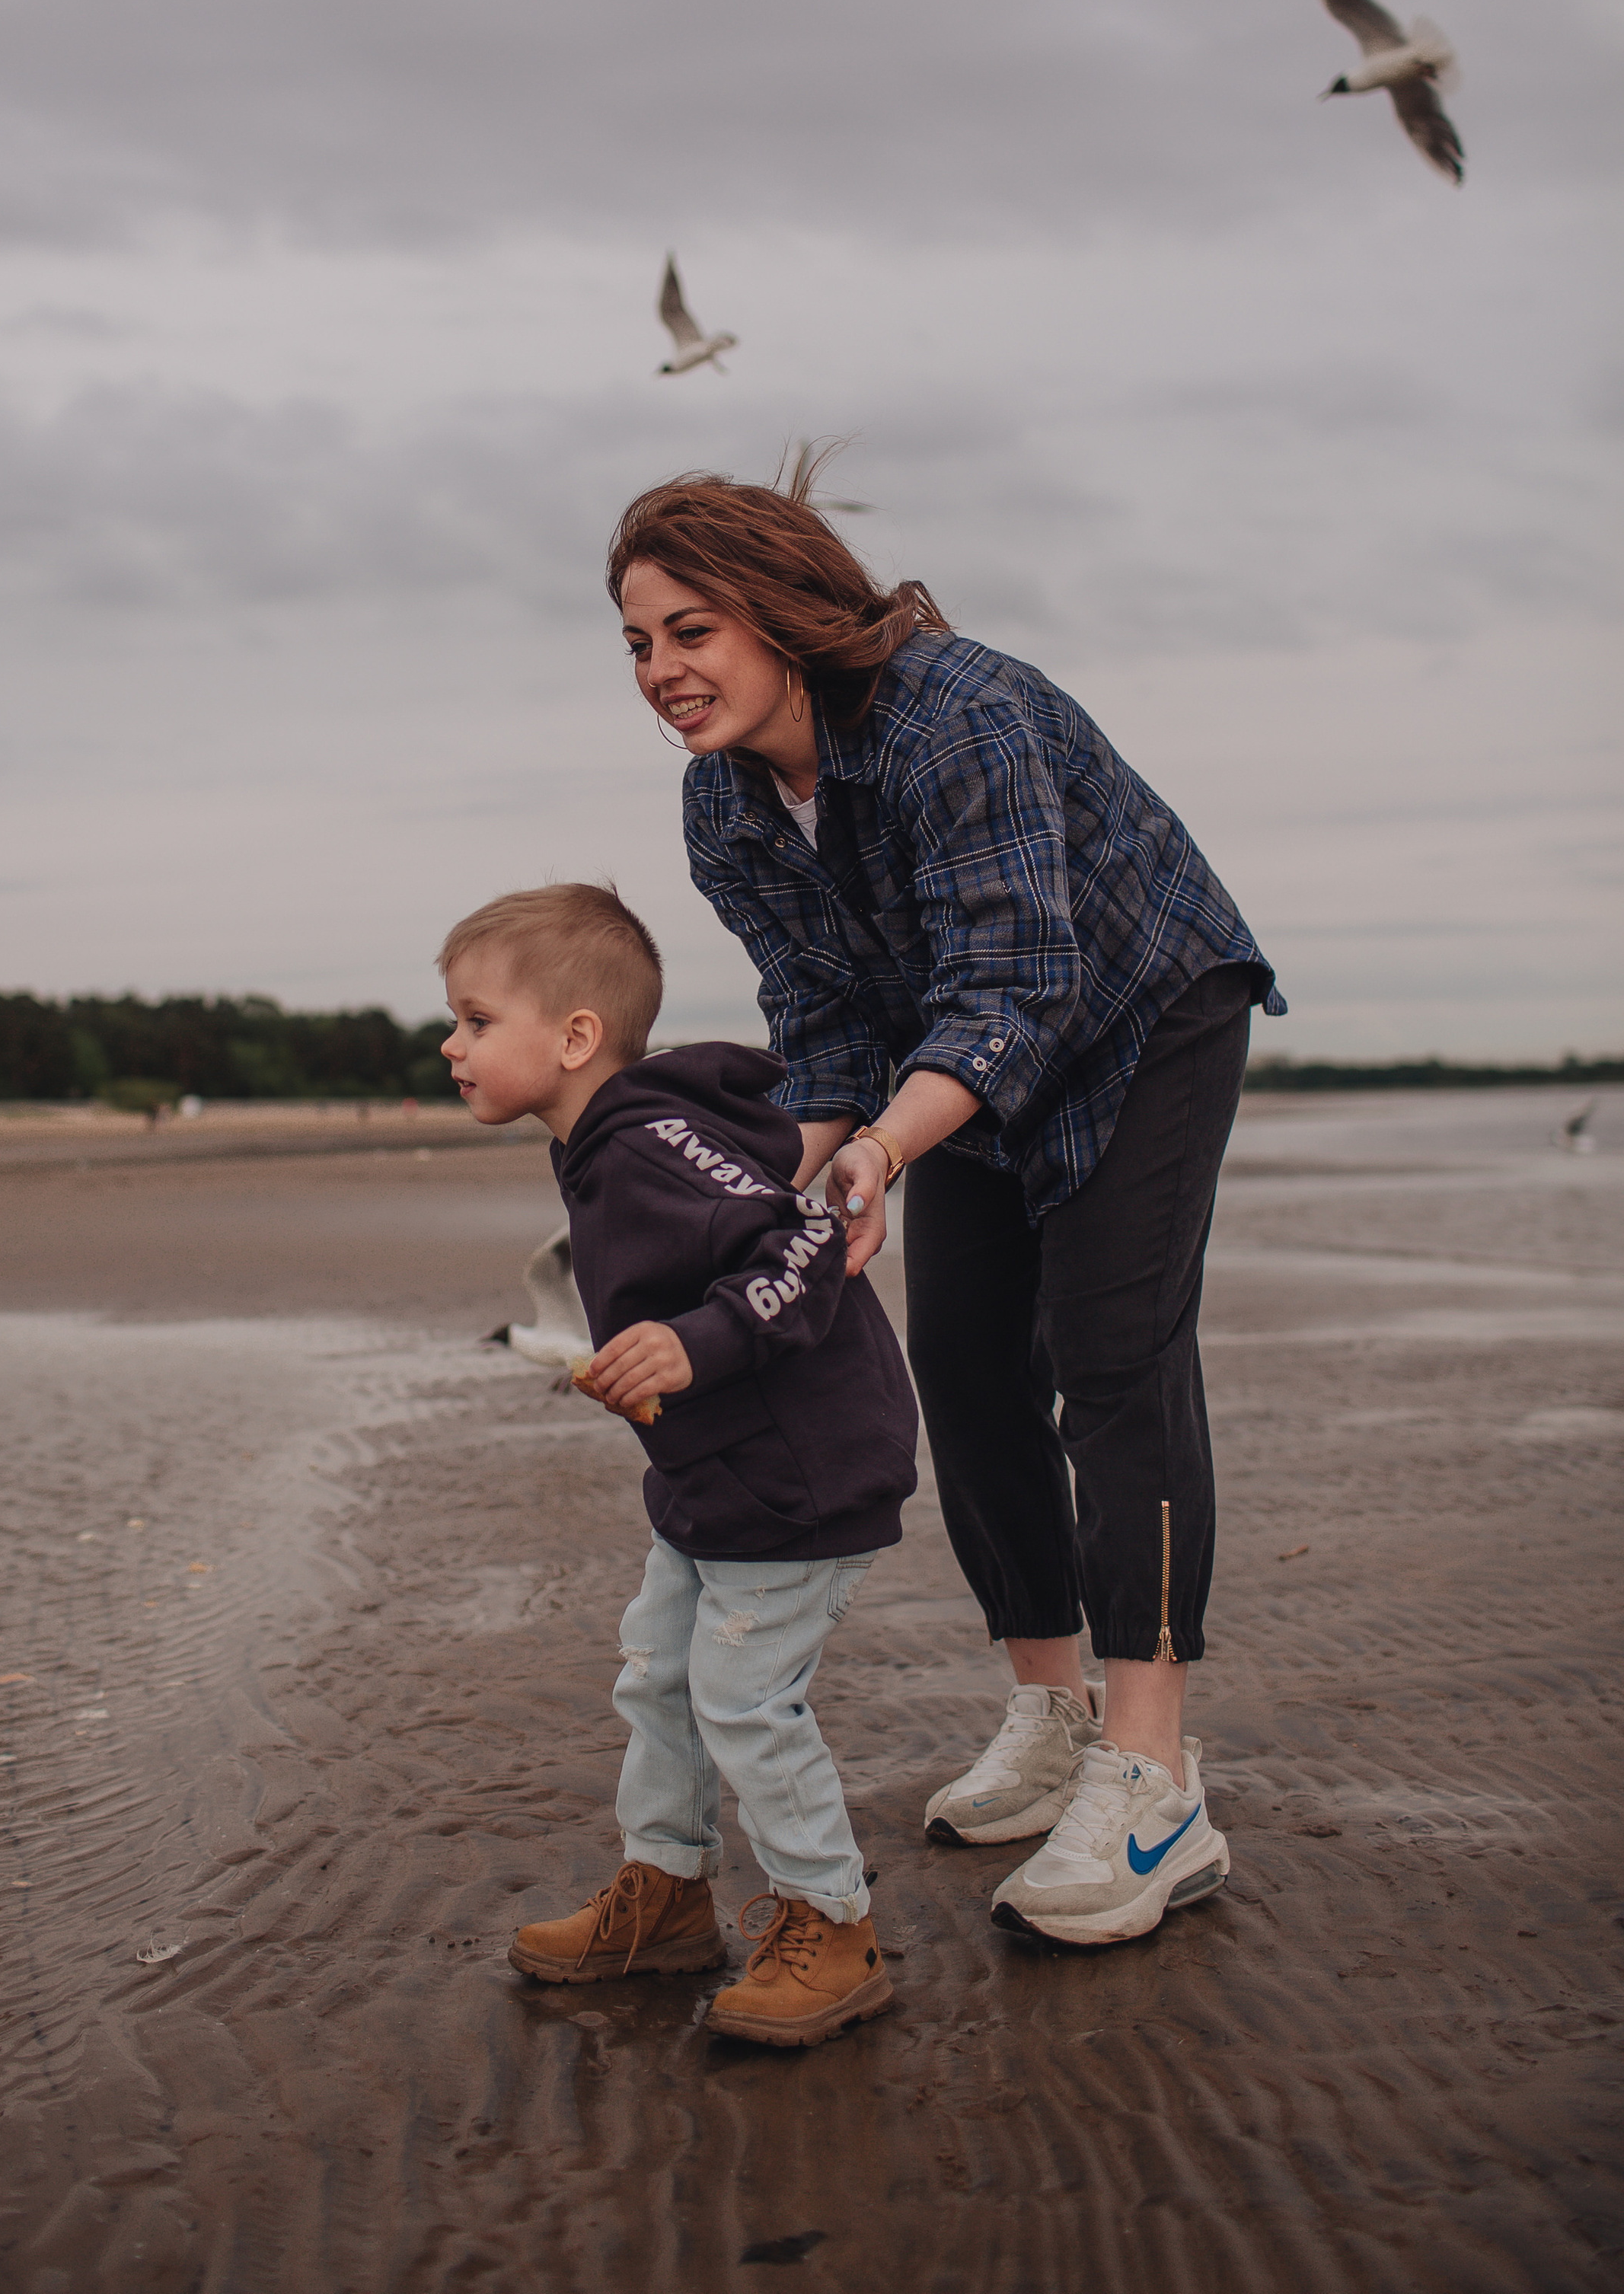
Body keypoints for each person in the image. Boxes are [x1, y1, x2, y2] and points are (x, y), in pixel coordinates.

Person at [606, 464, 1284, 1950]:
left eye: (691, 630)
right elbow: (826, 1012)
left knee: (1114, 1366)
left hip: (1139, 1012)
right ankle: (1050, 1713)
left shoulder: (950, 712)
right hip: (956, 1056)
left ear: (783, 610)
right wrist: (788, 1187)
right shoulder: (721, 803)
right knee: (968, 1369)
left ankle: (1155, 1777)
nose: (661, 670)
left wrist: (887, 1149)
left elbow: (1022, 982)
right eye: (638, 644)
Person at [439, 880, 917, 2047]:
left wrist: (692, 1343)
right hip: (714, 1477)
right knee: (657, 1676)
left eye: (474, 1020)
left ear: (575, 1038)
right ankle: (667, 1894)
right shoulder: (603, 1146)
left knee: (743, 1699)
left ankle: (834, 1925)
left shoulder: (651, 1144)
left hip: (801, 1470)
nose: (450, 1045)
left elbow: (806, 1244)